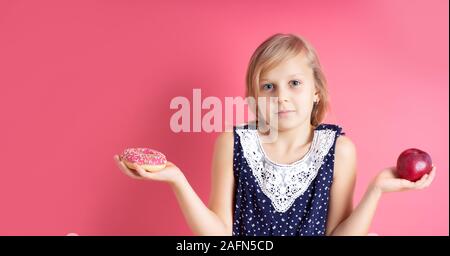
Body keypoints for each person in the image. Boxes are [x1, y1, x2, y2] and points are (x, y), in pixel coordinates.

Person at [113, 33, 436, 236]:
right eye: (268, 86)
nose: (281, 96)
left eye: (294, 83)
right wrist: (177, 180)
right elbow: (219, 235)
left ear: (316, 92)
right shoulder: (233, 144)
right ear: (254, 96)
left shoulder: (339, 149)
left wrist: (376, 190)